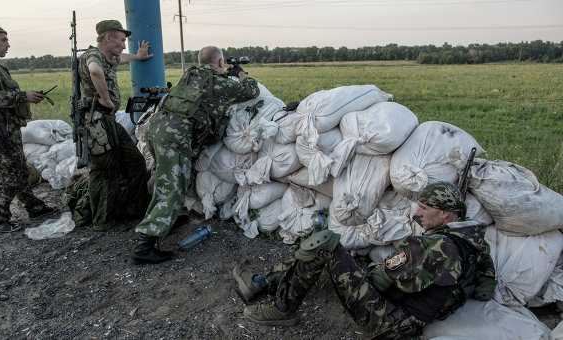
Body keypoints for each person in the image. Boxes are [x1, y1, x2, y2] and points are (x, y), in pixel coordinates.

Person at [233, 182, 497, 338]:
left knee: (326, 243)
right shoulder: (476, 244)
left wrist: (355, 271)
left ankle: (282, 308)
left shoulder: (433, 246)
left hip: (387, 323)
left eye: (425, 209)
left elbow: (378, 282)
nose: (418, 214)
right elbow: (485, 291)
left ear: (446, 215)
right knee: (338, 261)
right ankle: (262, 281)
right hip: (411, 321)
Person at [131, 46, 260, 265]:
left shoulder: (189, 75)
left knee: (162, 179)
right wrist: (239, 72)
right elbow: (252, 90)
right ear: (220, 63)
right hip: (175, 139)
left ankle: (164, 221)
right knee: (172, 188)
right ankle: (144, 246)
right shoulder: (218, 83)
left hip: (155, 130)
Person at [0, 25, 57, 232]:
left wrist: (27, 97)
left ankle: (34, 206)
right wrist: (23, 96)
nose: (8, 44)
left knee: (20, 170)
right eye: (3, 40)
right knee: (9, 175)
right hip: (0, 128)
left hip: (9, 126)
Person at [78, 20, 152, 232]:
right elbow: (94, 71)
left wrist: (138, 57)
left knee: (135, 160)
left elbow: (120, 59)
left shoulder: (107, 57)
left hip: (108, 121)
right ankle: (102, 220)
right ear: (108, 37)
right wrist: (105, 99)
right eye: (121, 40)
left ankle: (133, 208)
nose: (123, 44)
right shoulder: (93, 56)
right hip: (96, 121)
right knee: (104, 170)